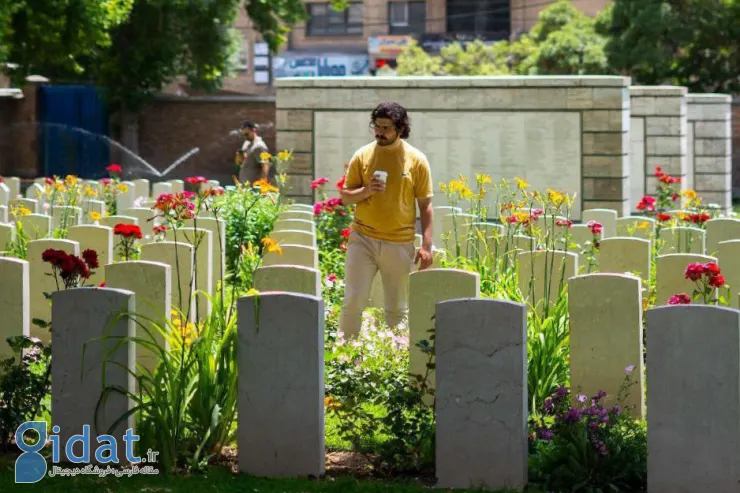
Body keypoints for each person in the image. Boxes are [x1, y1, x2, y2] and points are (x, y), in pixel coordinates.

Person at [339, 101, 434, 339]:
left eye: (386, 128)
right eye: (376, 126)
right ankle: (344, 355)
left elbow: (425, 205)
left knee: (396, 308)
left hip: (399, 242)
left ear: (400, 129)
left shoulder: (417, 160)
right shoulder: (362, 156)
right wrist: (367, 190)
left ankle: (397, 359)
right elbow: (345, 198)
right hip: (363, 239)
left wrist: (426, 245)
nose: (379, 132)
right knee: (353, 301)